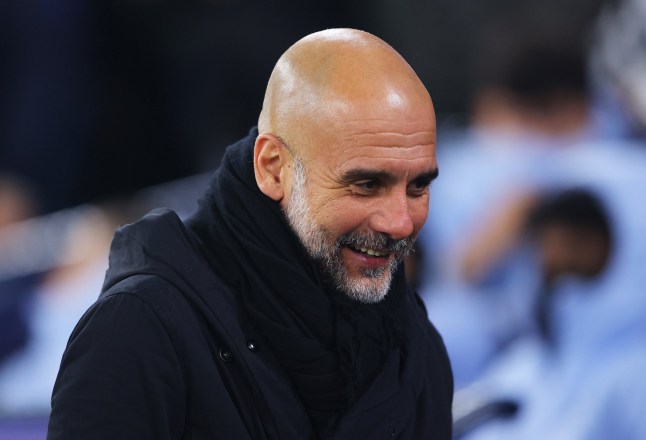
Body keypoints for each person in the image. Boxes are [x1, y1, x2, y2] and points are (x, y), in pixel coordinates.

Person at [46, 29, 454, 439]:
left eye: (418, 186)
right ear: (273, 168)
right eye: (366, 185)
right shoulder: (140, 331)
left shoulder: (413, 345)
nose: (400, 222)